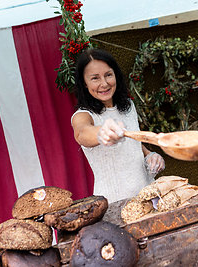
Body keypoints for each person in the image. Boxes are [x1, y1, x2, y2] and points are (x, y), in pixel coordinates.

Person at [71, 48, 165, 203]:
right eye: (95, 78)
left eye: (108, 75)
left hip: (149, 194)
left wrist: (150, 155)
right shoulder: (83, 115)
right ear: (84, 84)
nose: (104, 83)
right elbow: (82, 133)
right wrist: (102, 132)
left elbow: (134, 143)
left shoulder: (128, 106)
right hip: (115, 203)